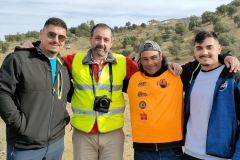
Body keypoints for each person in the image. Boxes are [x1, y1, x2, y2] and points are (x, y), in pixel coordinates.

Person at [127, 40, 240, 160]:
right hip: (142, 150)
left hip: (172, 149)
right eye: (145, 59)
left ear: (161, 56)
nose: (150, 63)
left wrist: (225, 56)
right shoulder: (133, 79)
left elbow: (204, 58)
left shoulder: (177, 74)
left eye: (154, 57)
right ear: (140, 59)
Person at [61, 23, 138, 160]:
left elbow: (151, 70)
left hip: (112, 134)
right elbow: (47, 61)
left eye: (106, 40)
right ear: (90, 39)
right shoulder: (75, 60)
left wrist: (169, 64)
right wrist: (30, 47)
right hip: (83, 134)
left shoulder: (123, 62)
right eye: (97, 38)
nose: (101, 43)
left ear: (111, 42)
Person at [0, 17, 71, 160]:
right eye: (51, 34)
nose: (56, 40)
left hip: (56, 143)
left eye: (61, 37)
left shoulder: (62, 66)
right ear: (41, 34)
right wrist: (20, 126)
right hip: (25, 146)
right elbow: (2, 92)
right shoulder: (19, 59)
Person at [183, 31, 240, 160]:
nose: (204, 52)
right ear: (194, 51)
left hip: (221, 155)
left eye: (209, 47)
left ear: (219, 48)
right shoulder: (192, 74)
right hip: (190, 152)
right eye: (199, 48)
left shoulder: (233, 75)